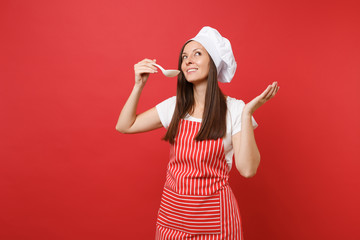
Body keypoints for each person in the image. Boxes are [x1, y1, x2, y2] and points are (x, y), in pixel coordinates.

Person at [116, 26, 279, 239]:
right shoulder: (176, 106)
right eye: (184, 56)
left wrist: (247, 114)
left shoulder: (235, 109)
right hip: (171, 221)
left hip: (216, 224)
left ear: (213, 63)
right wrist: (139, 85)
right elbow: (125, 126)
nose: (188, 60)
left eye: (197, 53)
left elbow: (248, 170)